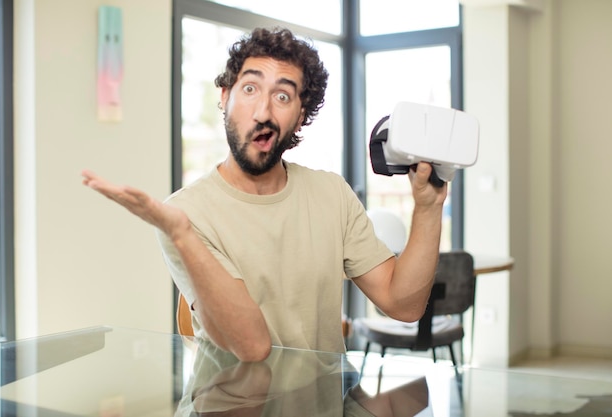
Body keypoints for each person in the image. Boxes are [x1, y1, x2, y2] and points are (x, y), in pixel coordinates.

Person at [82, 27, 447, 363]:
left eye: (283, 96)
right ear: (225, 98)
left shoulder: (331, 194)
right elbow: (251, 347)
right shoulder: (184, 214)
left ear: (301, 115)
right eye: (250, 89)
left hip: (321, 404)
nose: (263, 111)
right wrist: (182, 235)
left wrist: (428, 208)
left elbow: (404, 305)